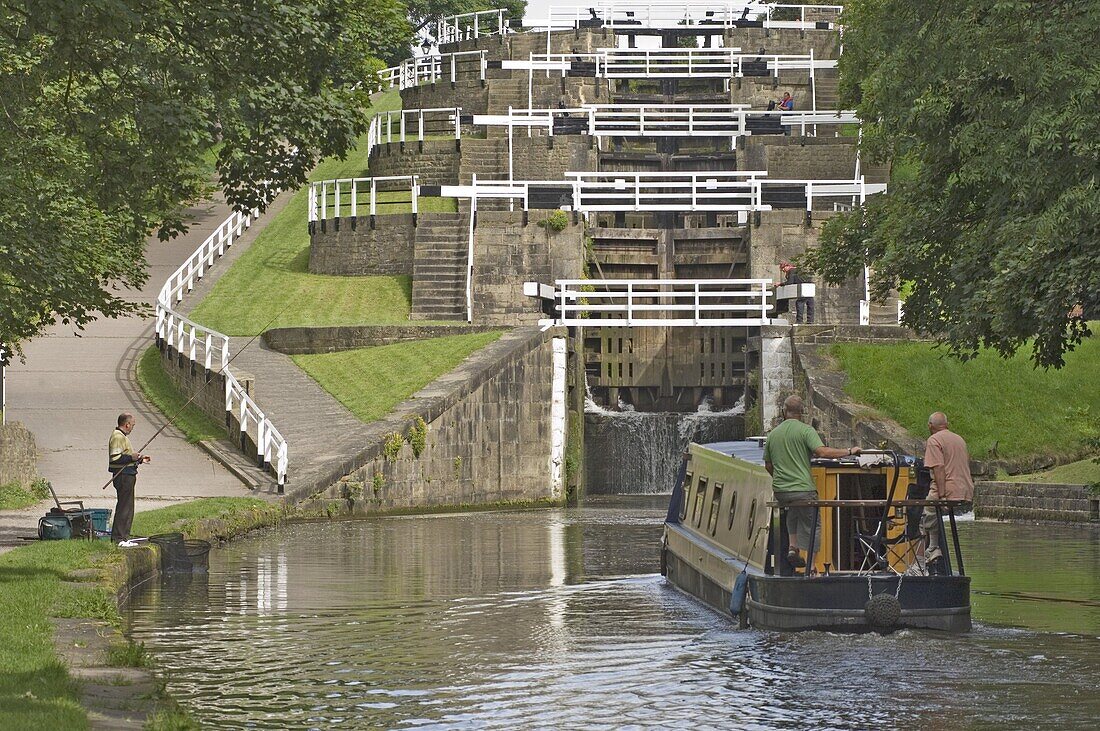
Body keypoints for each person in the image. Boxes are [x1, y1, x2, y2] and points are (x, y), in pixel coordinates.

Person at [764, 396, 861, 570]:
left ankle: (793, 547)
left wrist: (780, 478)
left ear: (783, 412)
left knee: (792, 511)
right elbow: (822, 452)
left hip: (781, 490)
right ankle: (812, 565)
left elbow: (768, 465)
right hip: (803, 488)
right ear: (801, 413)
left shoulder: (773, 434)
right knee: (813, 523)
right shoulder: (806, 431)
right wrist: (848, 451)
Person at [920, 412, 974, 573]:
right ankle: (936, 552)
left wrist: (942, 495)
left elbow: (938, 468)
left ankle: (931, 548)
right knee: (933, 511)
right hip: (965, 489)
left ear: (930, 426)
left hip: (948, 488)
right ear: (947, 424)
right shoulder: (959, 439)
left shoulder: (934, 440)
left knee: (925, 511)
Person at [108, 412, 150, 543]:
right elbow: (115, 459)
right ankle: (119, 538)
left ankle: (124, 536)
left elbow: (126, 458)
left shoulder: (122, 437)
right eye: (132, 425)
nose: (132, 427)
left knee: (128, 507)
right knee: (124, 507)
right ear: (126, 424)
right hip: (123, 477)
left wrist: (139, 460)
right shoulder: (117, 437)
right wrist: (131, 457)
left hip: (128, 474)